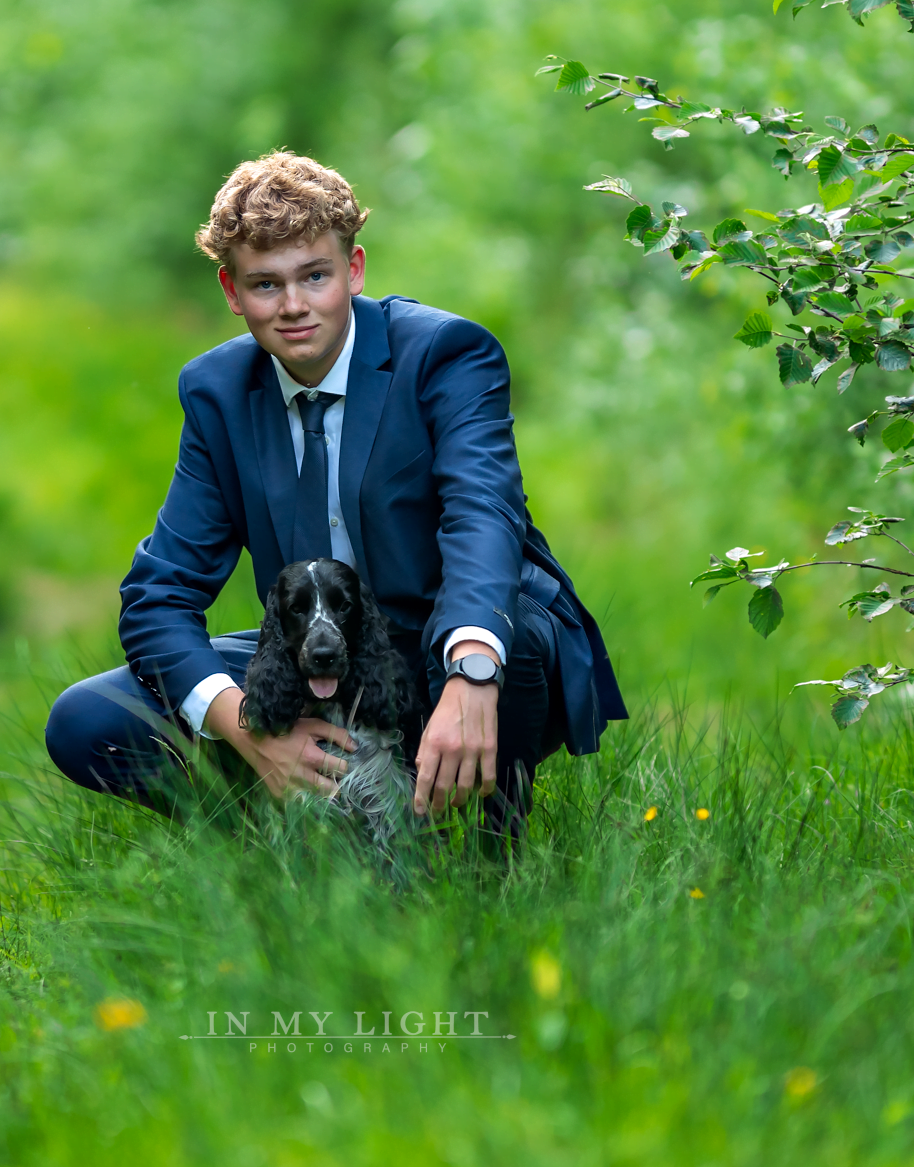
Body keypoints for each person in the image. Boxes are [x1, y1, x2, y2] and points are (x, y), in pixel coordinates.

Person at [44, 151, 626, 841]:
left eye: (314, 276)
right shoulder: (217, 391)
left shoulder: (444, 353)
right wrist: (246, 729)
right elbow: (158, 596)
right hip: (320, 656)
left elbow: (484, 517)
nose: (293, 305)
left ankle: (488, 854)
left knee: (512, 639)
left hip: (451, 644)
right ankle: (284, 843)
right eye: (266, 284)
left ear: (354, 269)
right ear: (232, 290)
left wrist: (472, 669)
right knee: (87, 719)